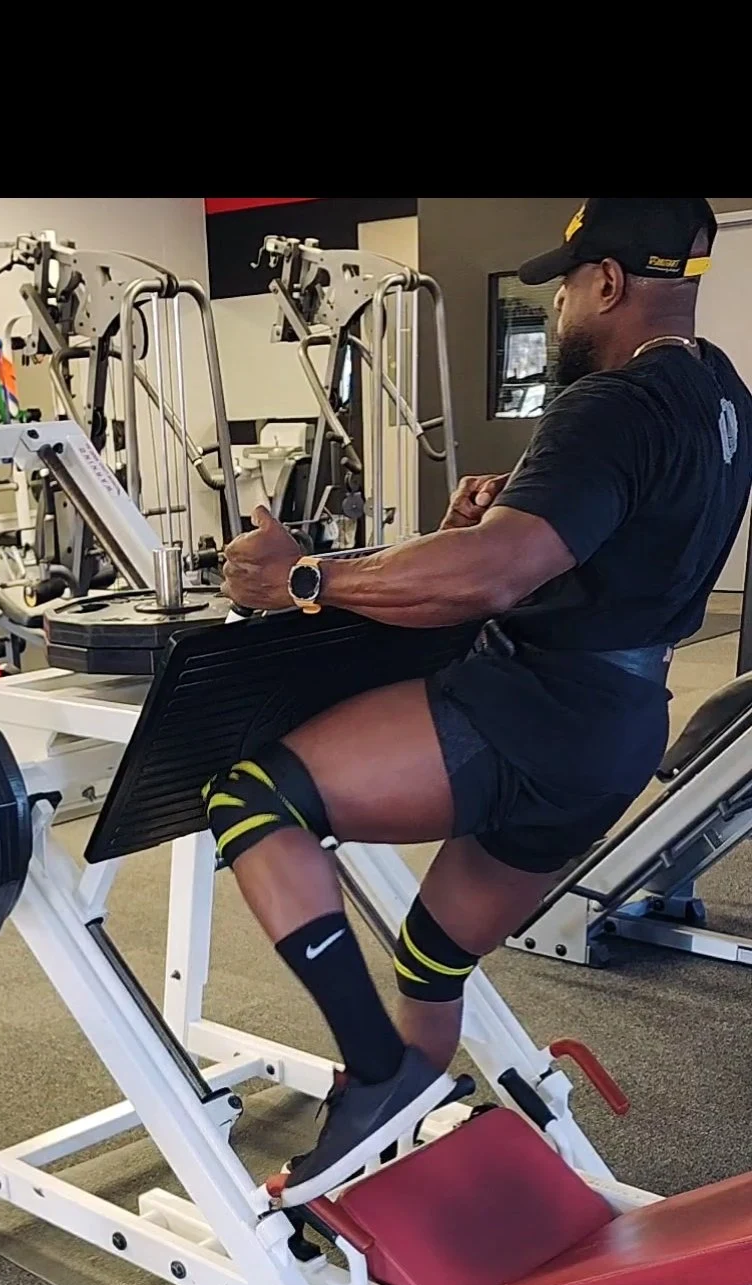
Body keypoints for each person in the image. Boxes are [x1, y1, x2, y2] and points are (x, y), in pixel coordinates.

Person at [212, 195, 752, 1204]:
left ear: (607, 283)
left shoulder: (607, 405)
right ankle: (403, 1092)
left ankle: (376, 1070)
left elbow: (493, 578)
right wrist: (518, 513)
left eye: (563, 288)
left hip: (529, 712)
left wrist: (305, 578)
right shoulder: (719, 394)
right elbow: (629, 528)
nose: (556, 311)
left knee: (252, 801)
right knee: (431, 953)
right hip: (621, 736)